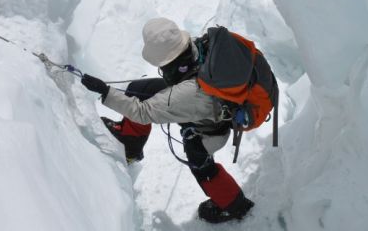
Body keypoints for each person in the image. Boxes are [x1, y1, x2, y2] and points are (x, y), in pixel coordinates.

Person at [79, 17, 255, 224]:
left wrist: (105, 91)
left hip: (213, 128)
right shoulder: (198, 47)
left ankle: (234, 205)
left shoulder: (189, 92)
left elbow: (143, 112)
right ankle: (130, 143)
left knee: (198, 158)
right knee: (141, 89)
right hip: (214, 104)